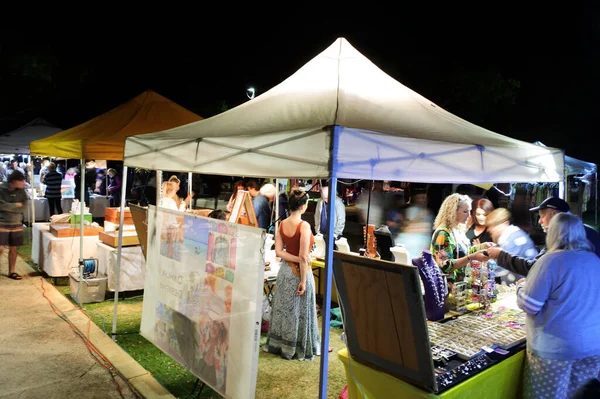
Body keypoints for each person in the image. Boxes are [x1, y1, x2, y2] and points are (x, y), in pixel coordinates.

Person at [518, 213, 600, 399]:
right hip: (592, 347)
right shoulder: (594, 261)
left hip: (555, 351)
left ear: (553, 233)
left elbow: (530, 305)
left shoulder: (550, 262)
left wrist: (520, 287)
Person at [265, 187, 321, 360]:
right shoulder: (304, 226)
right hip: (299, 273)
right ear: (303, 206)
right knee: (301, 311)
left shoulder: (282, 224)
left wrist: (297, 259)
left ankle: (280, 345)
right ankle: (298, 347)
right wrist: (303, 280)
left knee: (283, 310)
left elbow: (279, 252)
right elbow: (304, 256)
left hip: (285, 272)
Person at [482, 196, 600, 276]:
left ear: (554, 214)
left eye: (542, 216)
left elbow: (535, 268)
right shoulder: (586, 230)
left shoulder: (562, 236)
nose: (540, 221)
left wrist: (500, 255)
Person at [430, 193, 491, 282]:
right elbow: (445, 266)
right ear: (453, 212)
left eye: (469, 211)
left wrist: (483, 247)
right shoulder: (443, 234)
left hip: (460, 285)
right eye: (465, 212)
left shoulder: (457, 230)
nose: (469, 215)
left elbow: (464, 252)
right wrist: (471, 257)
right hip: (448, 287)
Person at [485, 208, 538, 285]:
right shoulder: (511, 238)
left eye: (493, 226)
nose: (489, 229)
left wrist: (483, 267)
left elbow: (501, 269)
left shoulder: (515, 240)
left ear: (505, 224)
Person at [0, 170, 29, 280]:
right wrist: (16, 205)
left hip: (16, 223)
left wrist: (9, 207)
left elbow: (25, 207)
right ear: (13, 181)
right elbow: (1, 205)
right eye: (20, 181)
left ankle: (12, 271)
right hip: (2, 222)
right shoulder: (2, 189)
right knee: (0, 247)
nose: (23, 183)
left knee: (14, 248)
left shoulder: (22, 192)